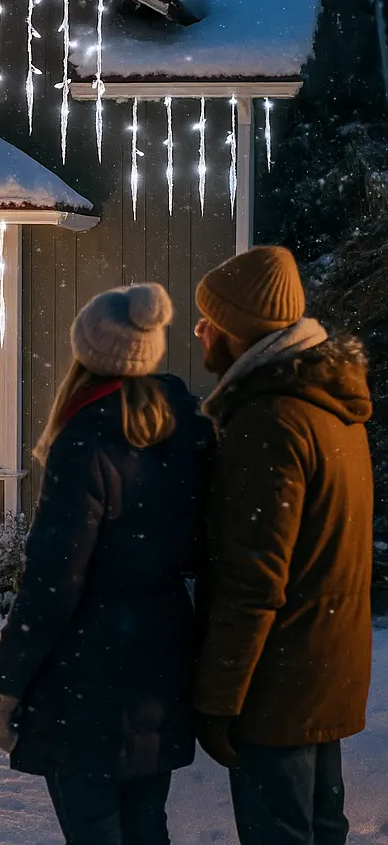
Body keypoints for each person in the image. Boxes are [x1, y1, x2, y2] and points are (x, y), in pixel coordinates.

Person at [0, 283, 213, 845]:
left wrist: (7, 684)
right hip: (160, 656)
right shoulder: (191, 431)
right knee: (144, 822)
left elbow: (53, 579)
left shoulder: (84, 439)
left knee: (93, 826)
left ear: (87, 351)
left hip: (87, 670)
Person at [192, 245, 373, 845]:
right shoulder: (332, 410)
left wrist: (219, 698)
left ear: (240, 331)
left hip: (277, 688)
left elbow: (252, 579)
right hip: (320, 673)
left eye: (210, 319)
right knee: (321, 831)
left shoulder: (268, 423)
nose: (199, 330)